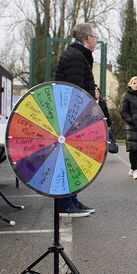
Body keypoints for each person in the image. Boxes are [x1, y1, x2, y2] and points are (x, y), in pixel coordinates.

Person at [53, 23, 100, 217]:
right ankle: (65, 204)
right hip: (71, 119)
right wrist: (78, 119)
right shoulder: (76, 58)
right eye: (95, 38)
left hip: (72, 118)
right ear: (88, 38)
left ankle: (71, 200)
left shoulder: (79, 56)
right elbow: (74, 92)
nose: (96, 41)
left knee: (72, 161)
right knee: (67, 161)